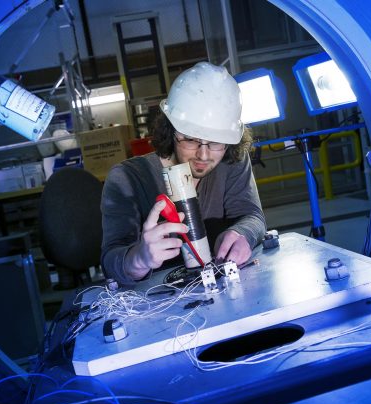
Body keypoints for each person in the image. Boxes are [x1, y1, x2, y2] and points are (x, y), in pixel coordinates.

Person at [100, 62, 266, 284]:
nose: (204, 155)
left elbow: (253, 216)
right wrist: (139, 258)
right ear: (170, 130)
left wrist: (243, 233)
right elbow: (111, 261)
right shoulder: (127, 178)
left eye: (216, 142)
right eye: (191, 139)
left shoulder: (230, 158)